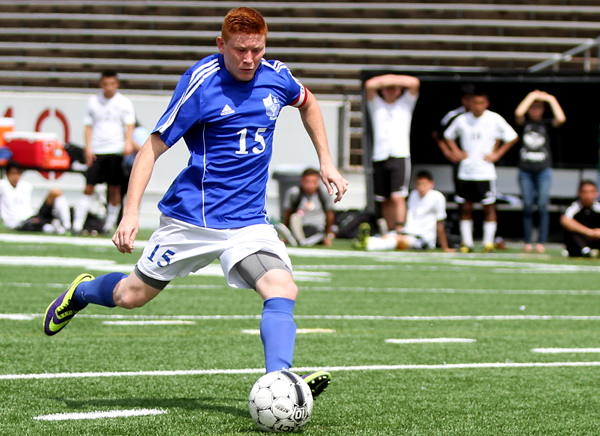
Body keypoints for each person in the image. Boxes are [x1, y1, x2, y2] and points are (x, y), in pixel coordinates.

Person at [43, 7, 348, 399]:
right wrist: (131, 211)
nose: (249, 59)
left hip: (248, 223)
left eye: (257, 49)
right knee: (130, 296)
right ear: (221, 44)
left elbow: (308, 103)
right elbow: (151, 149)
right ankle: (82, 292)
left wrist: (326, 160)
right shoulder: (201, 83)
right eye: (239, 50)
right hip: (192, 222)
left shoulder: (277, 77)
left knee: (282, 288)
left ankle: (280, 383)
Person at [444, 90, 519, 253]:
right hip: (466, 171)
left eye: (481, 103)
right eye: (475, 103)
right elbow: (447, 135)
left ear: (486, 104)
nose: (478, 106)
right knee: (465, 207)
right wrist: (455, 151)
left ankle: (488, 242)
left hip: (485, 172)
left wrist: (497, 154)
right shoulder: (462, 120)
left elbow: (512, 136)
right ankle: (467, 243)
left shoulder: (494, 119)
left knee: (488, 207)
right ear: (469, 103)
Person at [71, 69, 136, 236]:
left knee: (114, 188)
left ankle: (109, 225)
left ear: (117, 84)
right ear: (101, 84)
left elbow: (129, 124)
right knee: (89, 186)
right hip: (97, 150)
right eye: (106, 84)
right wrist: (88, 147)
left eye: (112, 84)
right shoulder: (94, 101)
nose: (108, 87)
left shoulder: (124, 102)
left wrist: (128, 143)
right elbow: (88, 125)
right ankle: (77, 224)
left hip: (115, 150)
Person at [364, 73, 420, 234]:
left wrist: (392, 80)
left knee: (398, 196)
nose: (390, 91)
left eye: (393, 89)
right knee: (384, 197)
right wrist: (387, 82)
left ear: (399, 91)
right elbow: (369, 84)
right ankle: (389, 231)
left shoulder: (405, 104)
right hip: (380, 155)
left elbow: (414, 82)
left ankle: (400, 229)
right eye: (387, 89)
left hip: (400, 155)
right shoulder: (377, 105)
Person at [514, 90, 566, 254]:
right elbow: (518, 112)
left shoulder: (547, 124)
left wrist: (551, 98)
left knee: (543, 205)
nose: (535, 110)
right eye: (533, 107)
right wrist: (531, 96)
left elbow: (561, 118)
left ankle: (541, 241)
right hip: (525, 170)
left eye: (538, 107)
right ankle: (528, 240)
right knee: (528, 205)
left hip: (543, 170)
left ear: (543, 109)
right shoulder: (525, 123)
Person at [355, 170, 454, 252]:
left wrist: (444, 247)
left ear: (431, 184)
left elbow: (440, 223)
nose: (421, 187)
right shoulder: (413, 195)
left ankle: (369, 245)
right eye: (418, 184)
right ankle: (365, 241)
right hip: (407, 232)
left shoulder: (437, 197)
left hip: (423, 238)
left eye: (424, 184)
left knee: (398, 241)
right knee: (387, 236)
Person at [0, 160, 71, 234]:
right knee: (43, 227)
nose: (15, 177)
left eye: (17, 173)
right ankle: (54, 227)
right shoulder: (3, 185)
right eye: (12, 173)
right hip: (17, 223)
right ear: (7, 174)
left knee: (55, 192)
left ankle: (67, 226)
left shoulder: (26, 186)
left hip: (30, 216)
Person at [277, 168, 335, 247]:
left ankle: (300, 241)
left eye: (313, 182)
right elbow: (288, 213)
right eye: (307, 182)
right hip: (300, 227)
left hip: (317, 228)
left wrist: (327, 235)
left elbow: (330, 214)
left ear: (318, 182)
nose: (310, 185)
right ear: (302, 181)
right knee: (295, 217)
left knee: (314, 234)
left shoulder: (323, 194)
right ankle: (298, 239)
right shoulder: (295, 193)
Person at [432, 84, 474, 165]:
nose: (470, 102)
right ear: (462, 99)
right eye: (467, 98)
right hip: (459, 159)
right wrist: (448, 152)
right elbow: (438, 134)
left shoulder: (488, 116)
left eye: (472, 99)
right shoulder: (454, 115)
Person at [560, 180, 600, 258]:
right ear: (580, 193)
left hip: (596, 240)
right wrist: (590, 232)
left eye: (591, 192)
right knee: (573, 232)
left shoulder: (598, 207)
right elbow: (565, 220)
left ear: (596, 193)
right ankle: (586, 251)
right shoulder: (574, 207)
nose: (588, 195)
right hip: (579, 241)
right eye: (585, 192)